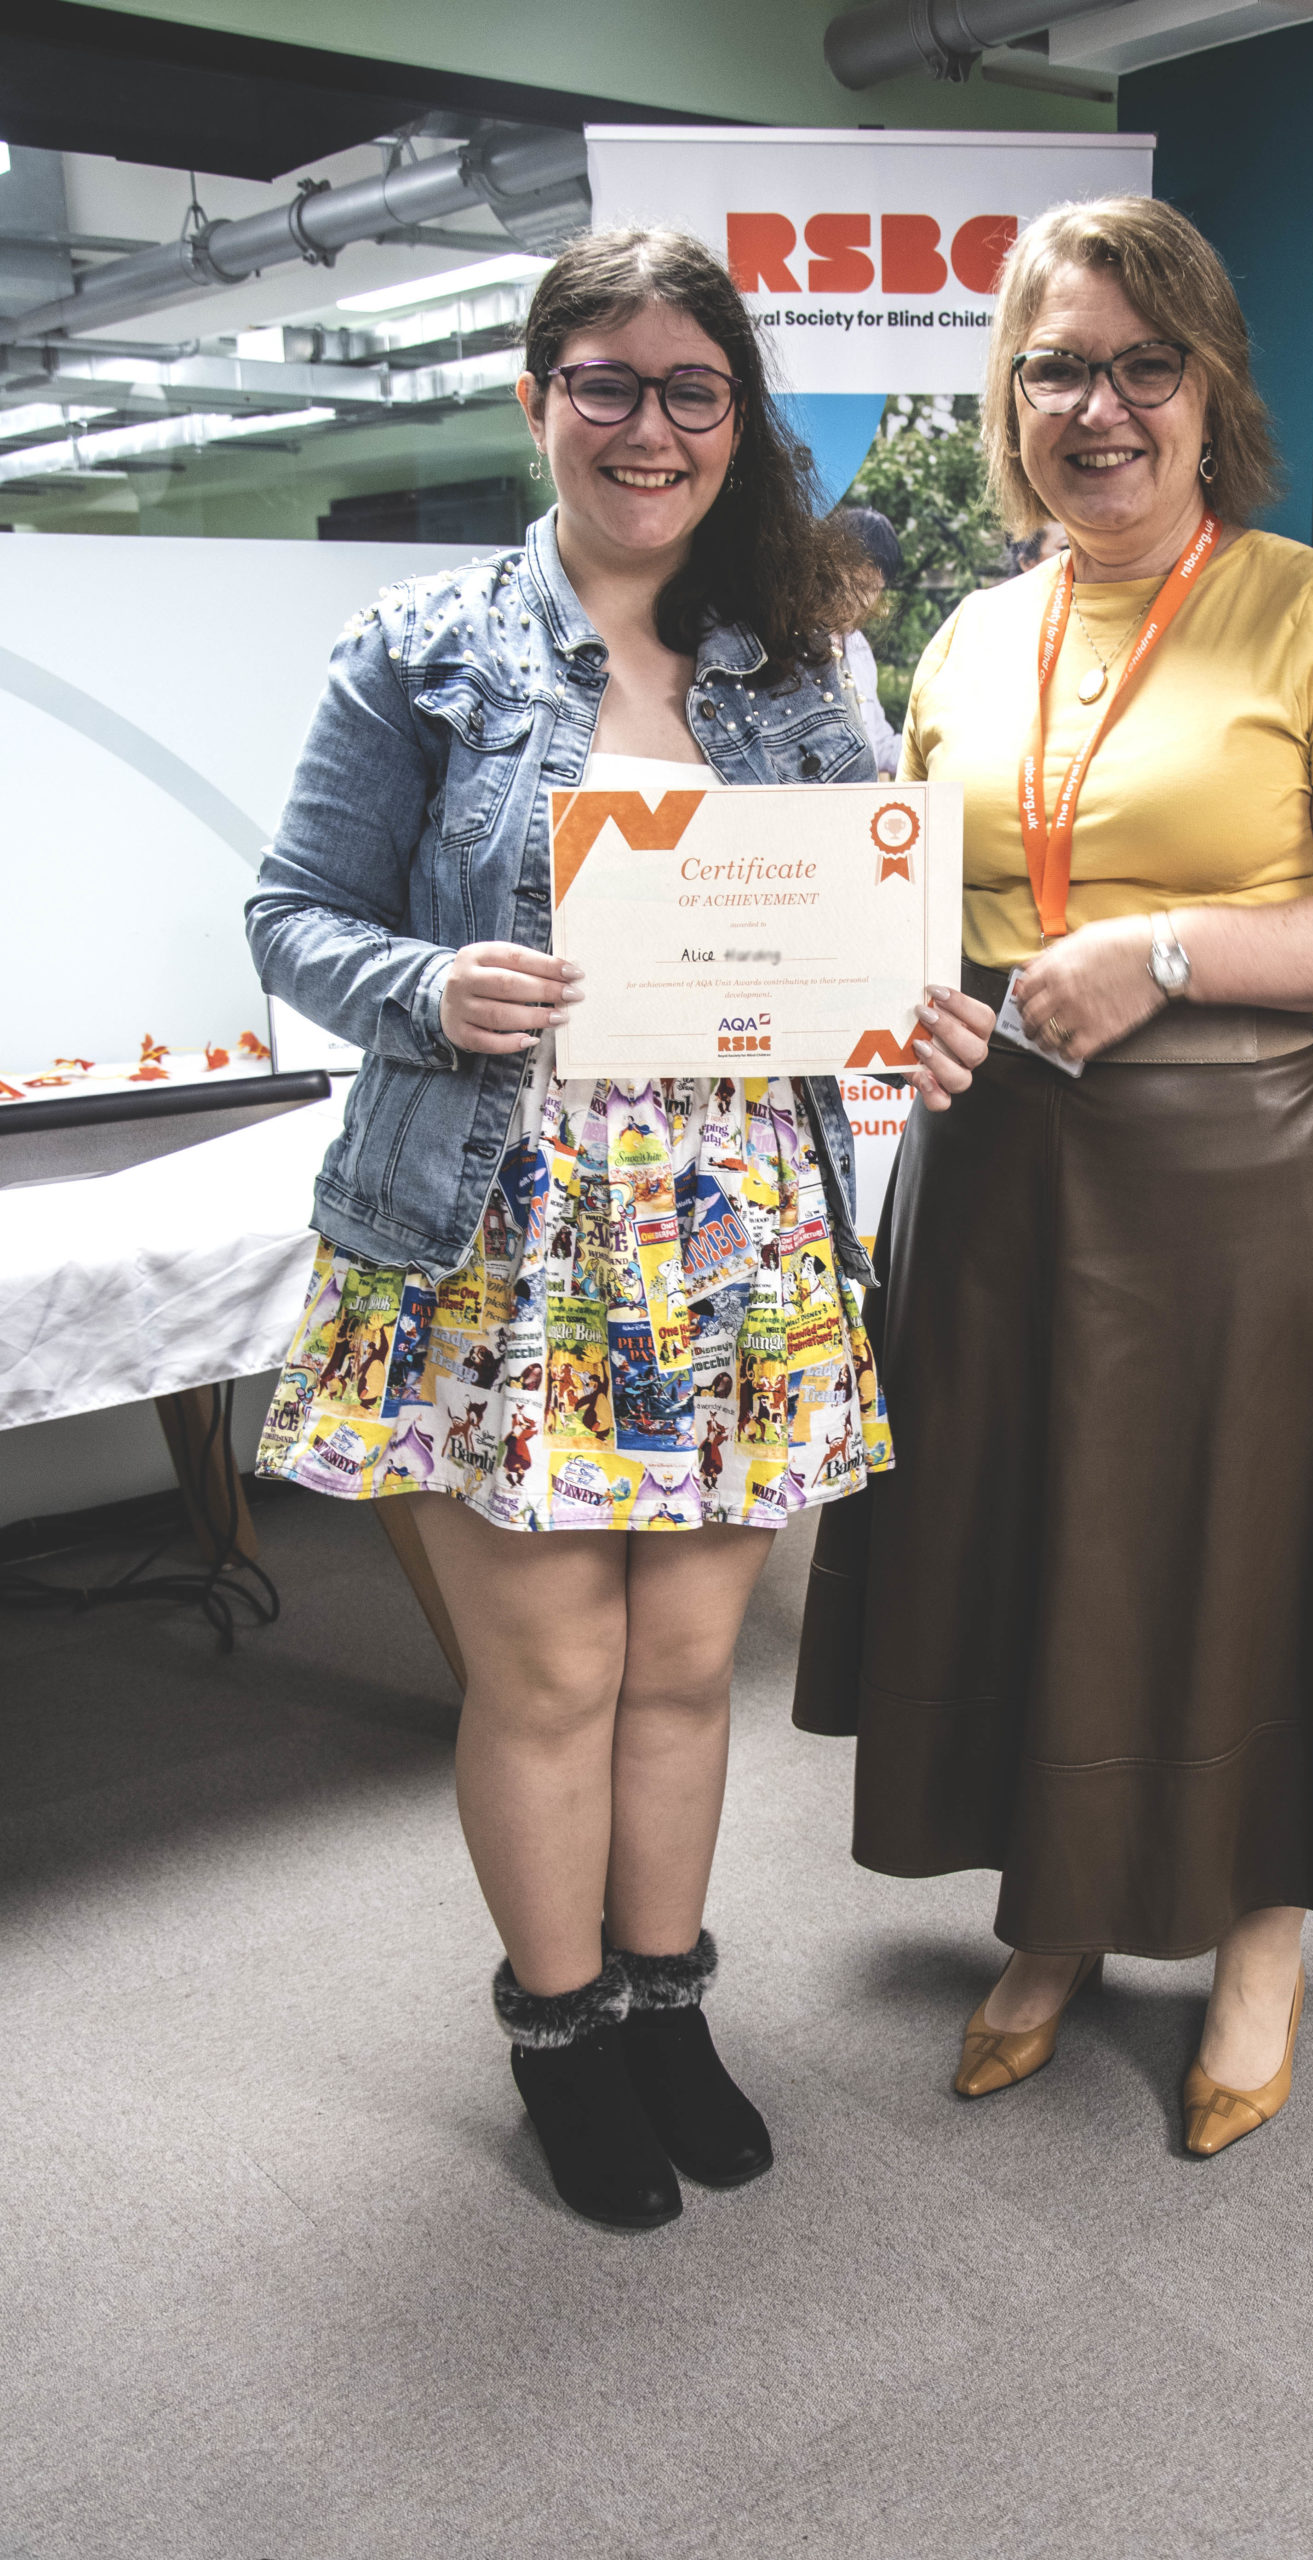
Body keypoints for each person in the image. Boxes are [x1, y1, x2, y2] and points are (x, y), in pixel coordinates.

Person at [246, 225, 992, 2232]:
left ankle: (667, 2002)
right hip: (503, 1222)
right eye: (606, 383)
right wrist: (430, 985)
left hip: (739, 1224)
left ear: (731, 417)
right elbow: (290, 921)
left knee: (685, 1663)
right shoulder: (421, 645)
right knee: (553, 1673)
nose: (647, 426)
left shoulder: (796, 651)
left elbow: (873, 918)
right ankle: (559, 2025)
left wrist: (916, 1005)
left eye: (689, 389)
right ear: (536, 396)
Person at [793, 194, 1313, 2157]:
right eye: (1054, 365)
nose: (1100, 403)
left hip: (1232, 1169)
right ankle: (1061, 1902)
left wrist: (1164, 948)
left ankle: (1259, 1928)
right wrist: (900, 1004)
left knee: (1234, 1550)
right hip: (992, 1161)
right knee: (1032, 1545)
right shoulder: (968, 635)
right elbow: (928, 906)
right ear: (1010, 402)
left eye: (1140, 360)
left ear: (1205, 386)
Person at [835, 505, 904, 777]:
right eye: (857, 585)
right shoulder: (795, 644)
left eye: (874, 589)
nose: (864, 602)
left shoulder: (858, 645)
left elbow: (880, 743)